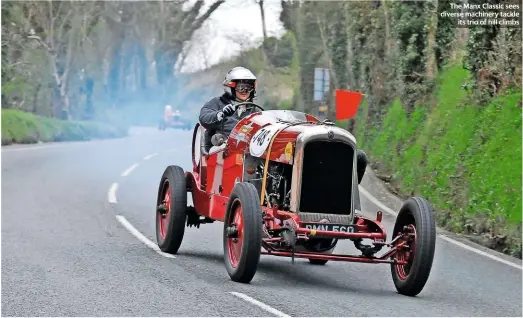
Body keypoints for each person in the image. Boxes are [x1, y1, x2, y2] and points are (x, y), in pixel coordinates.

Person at [199, 66, 257, 138]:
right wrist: (221, 114)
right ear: (230, 87)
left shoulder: (256, 110)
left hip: (248, 147)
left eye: (248, 87)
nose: (245, 91)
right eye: (240, 87)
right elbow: (204, 118)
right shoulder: (217, 102)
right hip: (222, 146)